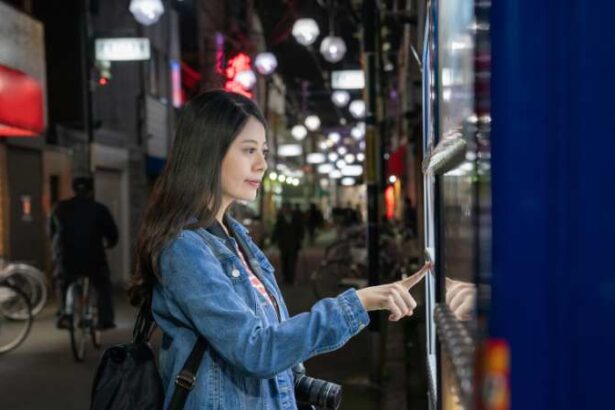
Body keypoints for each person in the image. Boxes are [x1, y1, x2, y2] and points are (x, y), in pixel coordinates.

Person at [128, 90, 429, 410]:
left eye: (265, 151)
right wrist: (359, 303)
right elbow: (255, 349)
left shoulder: (235, 236)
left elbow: (274, 342)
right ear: (208, 152)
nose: (262, 164)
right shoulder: (184, 249)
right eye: (248, 151)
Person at [49, 176, 118, 330]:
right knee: (103, 285)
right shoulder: (99, 209)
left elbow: (52, 233)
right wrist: (110, 243)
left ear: (73, 190)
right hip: (93, 259)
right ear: (91, 191)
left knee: (62, 281)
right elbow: (112, 234)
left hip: (67, 258)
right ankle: (105, 320)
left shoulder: (59, 208)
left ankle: (65, 313)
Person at [272, 202, 304, 285]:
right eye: (285, 208)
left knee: (292, 261)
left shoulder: (296, 217)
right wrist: (273, 240)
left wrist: (301, 238)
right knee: (284, 261)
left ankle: (291, 278)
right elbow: (277, 230)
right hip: (283, 244)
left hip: (294, 243)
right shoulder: (280, 218)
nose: (286, 210)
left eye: (287, 208)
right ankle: (285, 277)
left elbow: (300, 228)